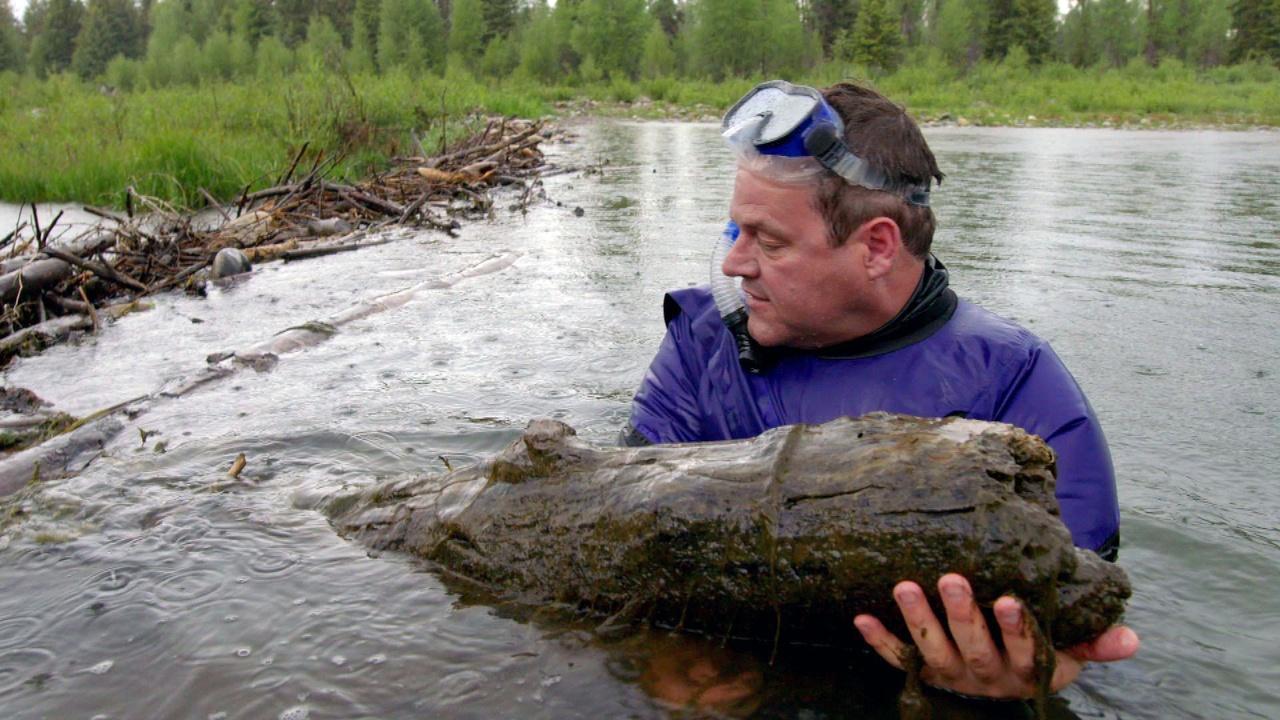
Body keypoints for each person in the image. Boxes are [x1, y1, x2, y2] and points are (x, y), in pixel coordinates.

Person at [622, 80, 1140, 699]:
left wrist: (1032, 668)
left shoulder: (1017, 384)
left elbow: (1079, 617)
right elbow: (623, 531)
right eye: (735, 230)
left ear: (876, 246)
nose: (733, 264)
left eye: (770, 240)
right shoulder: (702, 341)